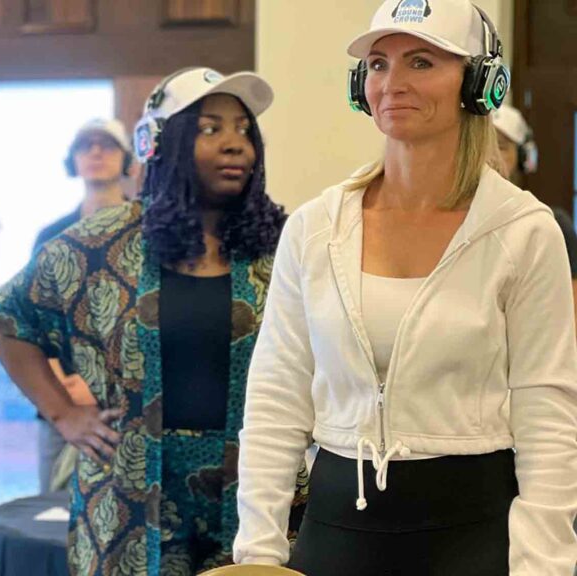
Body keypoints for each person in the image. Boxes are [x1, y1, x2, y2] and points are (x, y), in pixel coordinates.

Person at [233, 1, 577, 574]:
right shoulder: (317, 228)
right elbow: (275, 399)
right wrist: (259, 554)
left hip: (473, 533)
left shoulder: (524, 231)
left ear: (479, 82)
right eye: (377, 64)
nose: (392, 83)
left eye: (421, 62)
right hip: (335, 528)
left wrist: (545, 563)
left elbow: (549, 413)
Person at [0, 67, 302, 575]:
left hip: (259, 496)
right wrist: (64, 414)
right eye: (209, 128)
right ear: (159, 142)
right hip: (128, 500)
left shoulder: (287, 245)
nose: (234, 144)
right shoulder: (99, 242)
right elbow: (5, 319)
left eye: (244, 130)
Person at [32, 118, 132, 493]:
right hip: (64, 406)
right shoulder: (50, 236)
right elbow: (33, 326)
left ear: (126, 159)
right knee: (54, 515)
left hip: (130, 406)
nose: (95, 152)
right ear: (71, 160)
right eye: (85, 145)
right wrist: (69, 391)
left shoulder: (150, 229)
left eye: (106, 144)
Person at [491, 104, 577, 330]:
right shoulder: (449, 223)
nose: (489, 156)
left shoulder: (550, 226)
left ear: (523, 158)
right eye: (481, 145)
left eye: (501, 146)